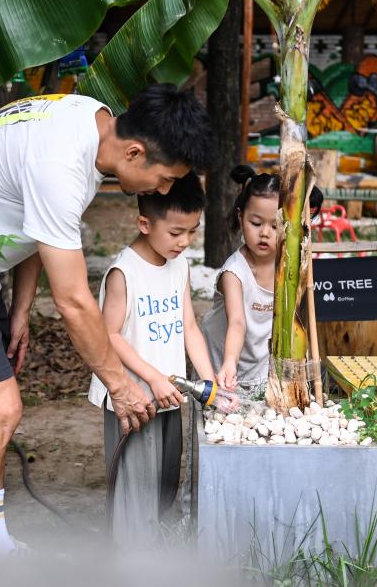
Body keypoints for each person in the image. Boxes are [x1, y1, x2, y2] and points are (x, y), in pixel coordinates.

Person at [0, 85, 214, 554]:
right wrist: (119, 386)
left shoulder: (90, 119)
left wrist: (20, 309)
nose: (162, 191)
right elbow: (74, 301)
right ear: (135, 152)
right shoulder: (61, 164)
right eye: (163, 179)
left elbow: (39, 226)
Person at [87, 172, 220, 545]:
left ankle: (151, 548)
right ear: (144, 224)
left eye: (192, 231)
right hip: (133, 399)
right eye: (176, 232)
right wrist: (154, 377)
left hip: (168, 395)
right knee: (136, 487)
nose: (185, 241)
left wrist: (208, 379)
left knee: (163, 481)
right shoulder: (124, 272)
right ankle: (133, 557)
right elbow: (109, 335)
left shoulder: (179, 265)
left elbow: (189, 325)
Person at [201, 165, 323, 392]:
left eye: (275, 225)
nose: (265, 233)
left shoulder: (288, 267)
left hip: (260, 363)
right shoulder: (234, 272)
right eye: (256, 223)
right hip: (223, 363)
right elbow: (237, 322)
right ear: (241, 217)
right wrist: (230, 362)